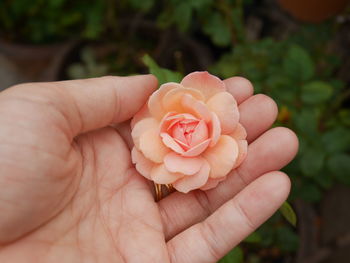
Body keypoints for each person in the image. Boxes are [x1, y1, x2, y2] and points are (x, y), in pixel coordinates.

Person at [0, 75, 298, 262]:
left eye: (190, 130)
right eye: (180, 130)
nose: (185, 132)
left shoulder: (222, 145)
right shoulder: (150, 131)